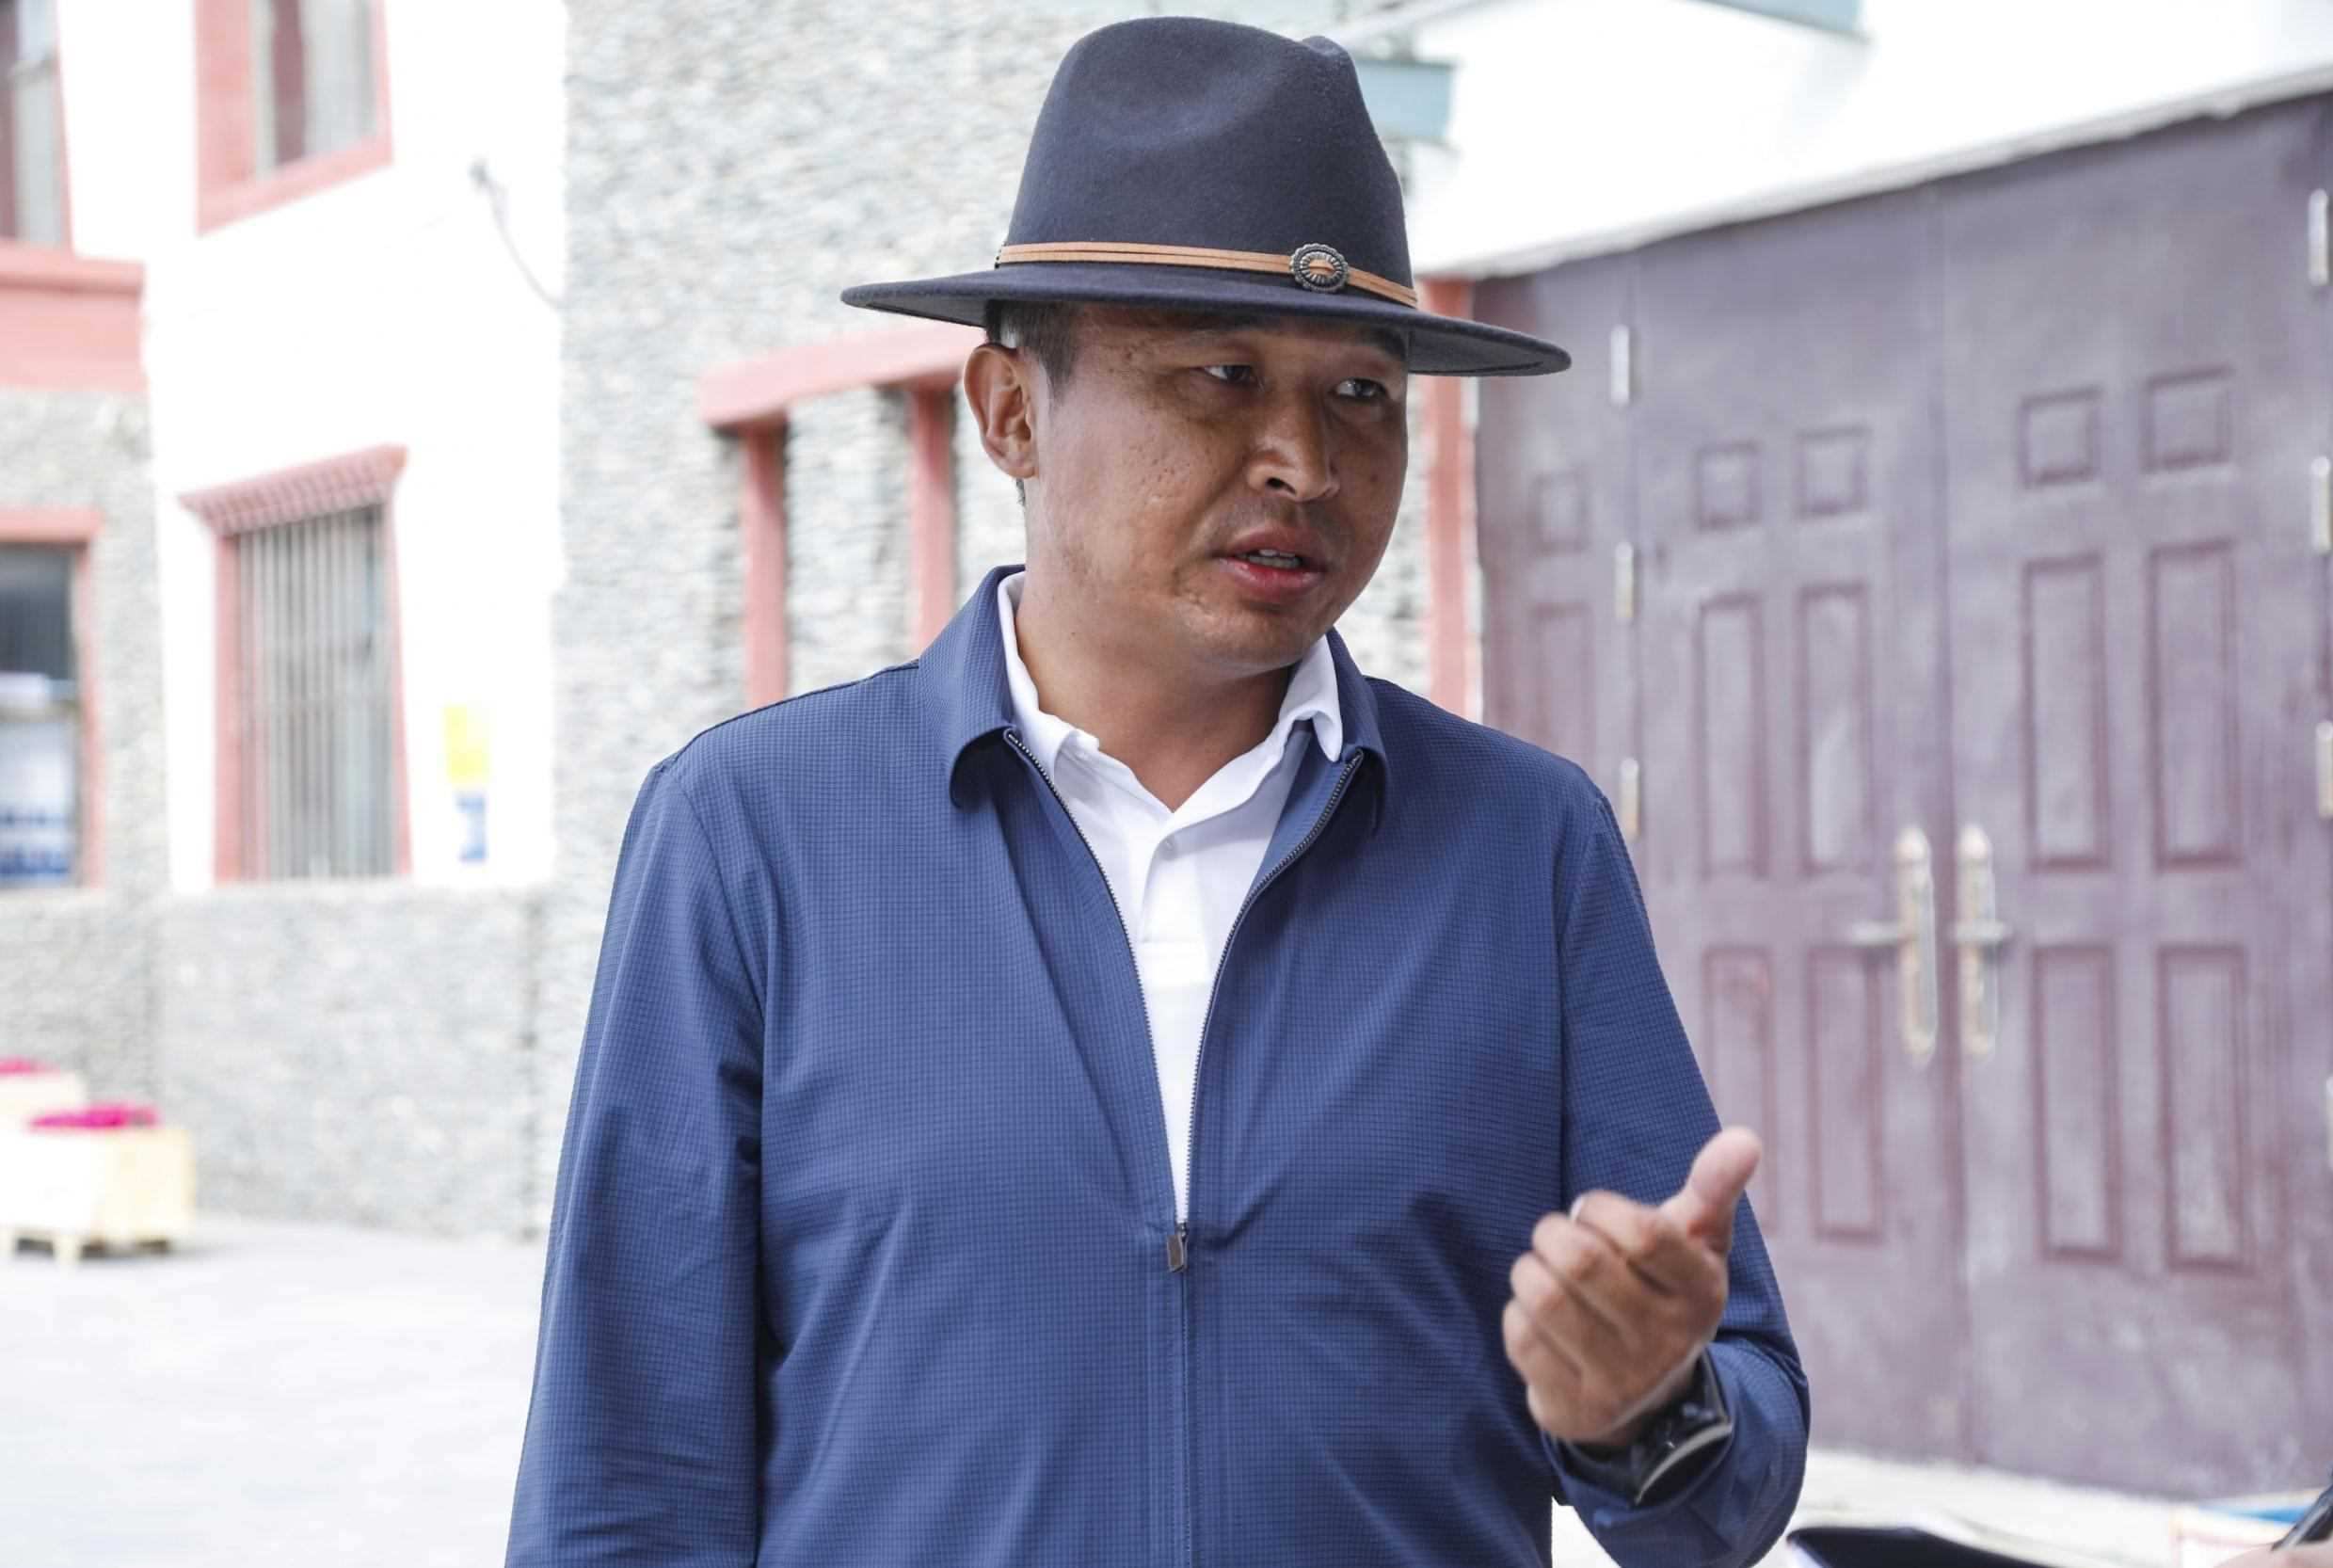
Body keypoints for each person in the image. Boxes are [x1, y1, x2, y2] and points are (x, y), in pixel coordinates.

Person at [503, 16, 1809, 1567]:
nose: (1303, 461)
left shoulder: (1523, 847)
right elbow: (626, 1472)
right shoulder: (755, 836)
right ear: (1010, 411)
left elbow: (1726, 1487)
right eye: (1220, 376)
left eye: (1362, 394)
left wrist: (1643, 1407)